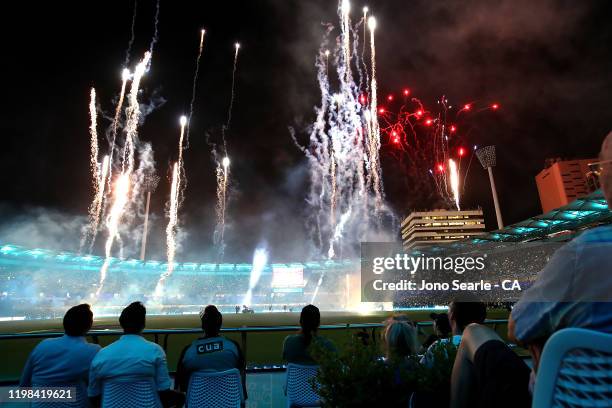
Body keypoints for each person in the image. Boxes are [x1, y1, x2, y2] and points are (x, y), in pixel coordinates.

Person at [451, 133, 612, 408]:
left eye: (601, 168)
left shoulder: (585, 252)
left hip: (559, 399)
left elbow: (517, 327)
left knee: (473, 333)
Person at [88, 302, 184, 408]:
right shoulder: (155, 351)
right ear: (143, 324)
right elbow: (164, 390)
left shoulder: (101, 355)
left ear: (121, 323)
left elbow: (93, 395)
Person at [20, 304, 100, 400]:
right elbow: (97, 389)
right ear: (89, 325)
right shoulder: (94, 351)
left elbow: (23, 386)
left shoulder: (43, 345)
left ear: (65, 323)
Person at [174, 305, 247, 400]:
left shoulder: (189, 352)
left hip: (198, 403)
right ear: (220, 324)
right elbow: (241, 378)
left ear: (203, 325)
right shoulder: (233, 347)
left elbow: (180, 387)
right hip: (229, 402)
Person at [420, 296, 486, 367]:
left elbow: (421, 370)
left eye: (449, 312)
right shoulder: (487, 347)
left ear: (451, 317)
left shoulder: (438, 346)